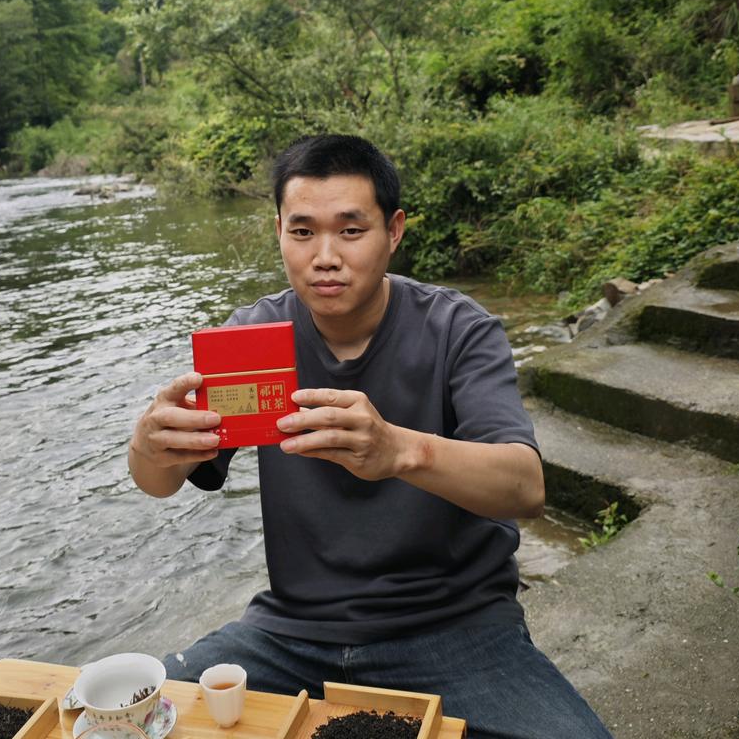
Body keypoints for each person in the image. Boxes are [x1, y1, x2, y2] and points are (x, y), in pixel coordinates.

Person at [128, 134, 612, 739]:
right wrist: (149, 446)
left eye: (351, 231)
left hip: (455, 625)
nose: (324, 256)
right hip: (293, 631)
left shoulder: (458, 329)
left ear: (395, 230)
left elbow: (525, 486)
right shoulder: (253, 336)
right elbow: (161, 481)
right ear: (278, 229)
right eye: (302, 232)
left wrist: (399, 450)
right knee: (137, 719)